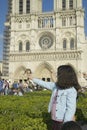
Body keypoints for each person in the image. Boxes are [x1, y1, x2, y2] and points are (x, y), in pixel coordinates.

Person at [28, 65, 81, 130]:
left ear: (64, 76)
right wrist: (33, 79)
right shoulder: (56, 86)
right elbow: (44, 83)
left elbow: (70, 109)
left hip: (62, 121)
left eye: (58, 74)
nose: (57, 75)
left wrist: (66, 124)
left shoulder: (71, 91)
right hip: (54, 119)